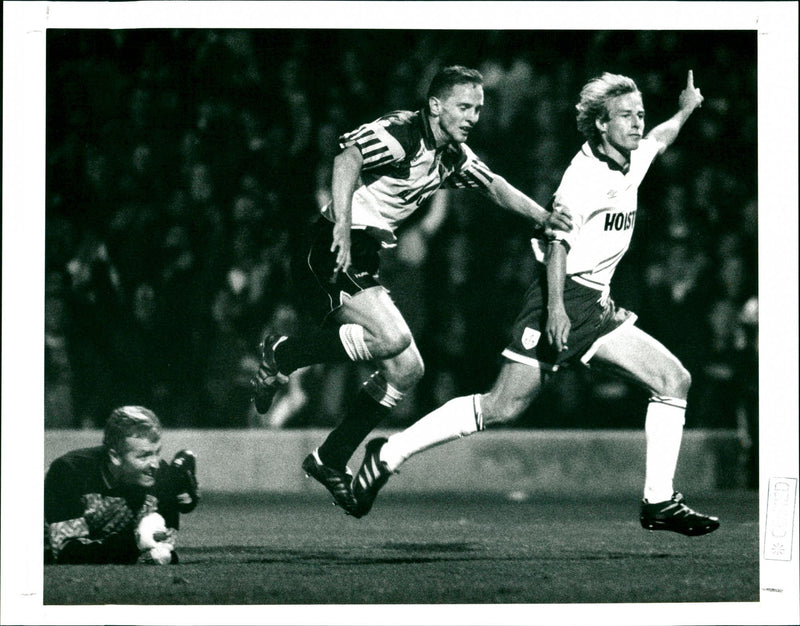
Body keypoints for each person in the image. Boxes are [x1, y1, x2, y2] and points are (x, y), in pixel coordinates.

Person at [352, 70, 721, 537]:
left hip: (595, 305)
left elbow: (660, 139)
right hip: (564, 295)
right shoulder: (583, 178)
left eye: (639, 115)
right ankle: (387, 455)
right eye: (626, 116)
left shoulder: (634, 155)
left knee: (673, 380)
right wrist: (557, 310)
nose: (636, 124)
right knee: (501, 406)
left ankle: (660, 502)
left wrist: (686, 109)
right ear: (602, 125)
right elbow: (557, 245)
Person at [250, 65, 573, 516]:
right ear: (436, 106)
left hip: (362, 254)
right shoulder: (402, 132)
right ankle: (285, 353)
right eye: (464, 106)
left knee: (407, 369)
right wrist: (342, 223)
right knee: (394, 340)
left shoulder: (451, 154)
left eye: (479, 108)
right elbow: (346, 159)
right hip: (330, 245)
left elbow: (495, 186)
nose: (474, 116)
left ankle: (329, 457)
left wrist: (543, 217)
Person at [44, 405, 200, 564]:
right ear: (115, 456)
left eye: (157, 452)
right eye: (144, 456)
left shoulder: (161, 478)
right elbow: (68, 553)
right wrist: (135, 542)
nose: (155, 464)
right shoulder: (69, 472)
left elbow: (163, 552)